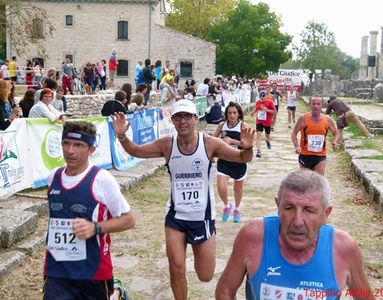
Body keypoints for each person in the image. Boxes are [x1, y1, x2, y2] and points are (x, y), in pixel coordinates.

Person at [112, 99, 254, 300]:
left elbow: (241, 158)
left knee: (205, 275)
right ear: (173, 120)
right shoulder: (167, 144)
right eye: (178, 117)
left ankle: (203, 246)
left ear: (196, 118)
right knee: (176, 266)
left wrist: (247, 148)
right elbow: (136, 151)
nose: (183, 121)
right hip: (176, 216)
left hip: (202, 216)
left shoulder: (209, 143)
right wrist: (121, 136)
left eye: (188, 116)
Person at [215, 169, 374, 300]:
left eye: (309, 210)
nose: (298, 222)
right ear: (278, 206)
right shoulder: (253, 236)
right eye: (289, 208)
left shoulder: (343, 248)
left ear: (326, 214)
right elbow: (225, 292)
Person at [42, 121, 135, 299]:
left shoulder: (102, 180)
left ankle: (116, 293)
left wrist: (95, 227)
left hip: (93, 271)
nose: (70, 150)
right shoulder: (53, 177)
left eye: (78, 145)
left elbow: (129, 219)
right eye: (66, 143)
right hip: (57, 270)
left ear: (91, 150)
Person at [214, 102, 248, 223]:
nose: (232, 115)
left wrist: (232, 140)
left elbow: (247, 144)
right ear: (226, 114)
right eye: (229, 113)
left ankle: (237, 209)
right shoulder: (221, 125)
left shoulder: (243, 126)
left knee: (237, 188)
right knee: (221, 187)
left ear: (239, 114)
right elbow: (213, 140)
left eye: (234, 113)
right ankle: (227, 205)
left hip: (239, 161)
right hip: (224, 161)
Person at [291, 95, 340, 176]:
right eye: (313, 104)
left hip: (320, 156)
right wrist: (296, 146)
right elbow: (294, 134)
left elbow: (336, 133)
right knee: (305, 182)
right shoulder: (303, 118)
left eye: (318, 104)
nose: (316, 106)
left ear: (322, 105)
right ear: (310, 105)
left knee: (318, 182)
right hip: (305, 155)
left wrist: (335, 142)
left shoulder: (328, 120)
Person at [251, 89, 275, 158]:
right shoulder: (258, 102)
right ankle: (258, 151)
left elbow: (273, 111)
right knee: (258, 135)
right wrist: (253, 112)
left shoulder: (270, 102)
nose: (261, 97)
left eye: (263, 96)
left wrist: (266, 109)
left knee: (267, 135)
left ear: (266, 96)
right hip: (259, 121)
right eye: (260, 96)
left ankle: (267, 141)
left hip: (267, 121)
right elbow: (257, 108)